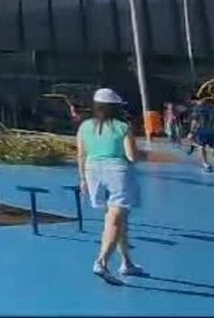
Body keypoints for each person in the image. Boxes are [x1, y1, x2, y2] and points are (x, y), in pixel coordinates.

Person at [77, 88, 146, 284]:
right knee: (115, 219)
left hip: (92, 172)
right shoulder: (122, 127)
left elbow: (81, 154)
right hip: (116, 172)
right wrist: (144, 154)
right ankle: (102, 262)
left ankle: (127, 262)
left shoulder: (84, 126)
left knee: (116, 218)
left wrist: (82, 179)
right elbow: (132, 156)